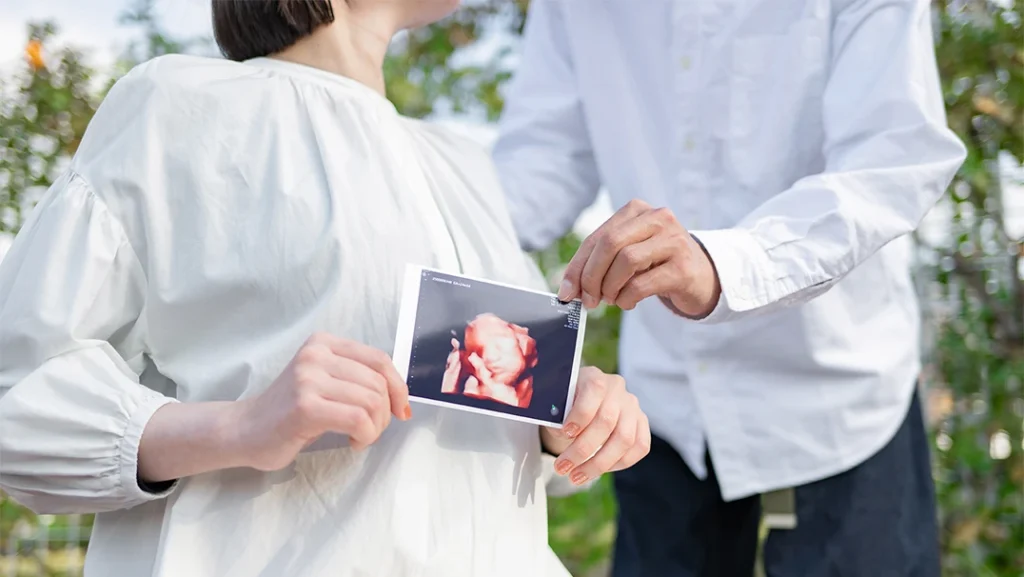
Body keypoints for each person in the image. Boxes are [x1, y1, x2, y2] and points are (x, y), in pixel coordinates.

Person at [0, 1, 652, 576]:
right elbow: (19, 394)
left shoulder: (466, 168)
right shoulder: (181, 104)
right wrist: (240, 425)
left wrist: (568, 421)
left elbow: (484, 436)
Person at [492, 1, 966, 576]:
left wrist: (722, 265)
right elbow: (541, 163)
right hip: (664, 405)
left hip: (840, 399)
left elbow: (892, 156)